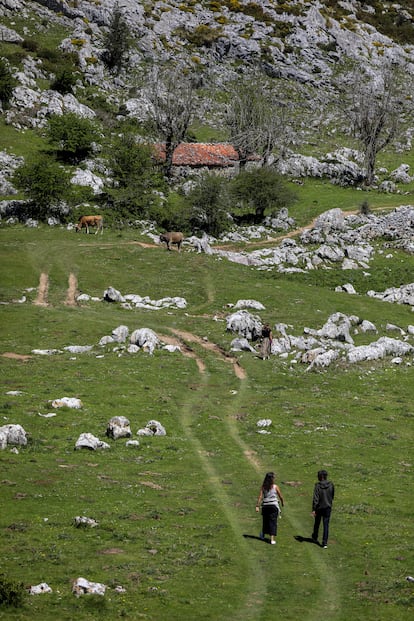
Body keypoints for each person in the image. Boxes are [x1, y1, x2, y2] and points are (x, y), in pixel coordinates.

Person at [256, 472, 284, 544]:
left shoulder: (263, 487)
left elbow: (260, 497)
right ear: (272, 479)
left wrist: (257, 506)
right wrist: (282, 502)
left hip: (265, 506)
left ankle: (262, 534)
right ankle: (272, 539)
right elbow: (280, 496)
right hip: (273, 506)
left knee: (265, 521)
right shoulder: (275, 487)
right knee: (273, 522)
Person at [311, 469, 335, 548]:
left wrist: (314, 509)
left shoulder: (318, 486)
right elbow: (332, 495)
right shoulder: (331, 485)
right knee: (326, 525)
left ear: (321, 477)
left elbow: (316, 498)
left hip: (319, 507)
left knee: (317, 523)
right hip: (328, 506)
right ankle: (324, 542)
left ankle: (315, 537)